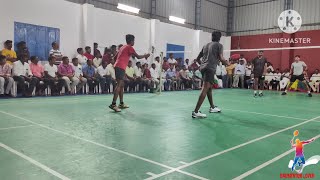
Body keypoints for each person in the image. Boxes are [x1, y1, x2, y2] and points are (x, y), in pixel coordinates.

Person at [109, 34, 150, 112]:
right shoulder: (129, 47)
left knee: (121, 85)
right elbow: (138, 57)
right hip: (120, 67)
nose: (134, 42)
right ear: (131, 41)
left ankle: (121, 103)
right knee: (119, 85)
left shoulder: (122, 47)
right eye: (134, 40)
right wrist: (146, 55)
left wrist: (118, 64)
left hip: (119, 66)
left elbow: (114, 58)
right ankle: (113, 104)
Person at [193, 31, 228, 118]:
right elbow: (221, 58)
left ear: (212, 37)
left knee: (209, 88)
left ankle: (212, 107)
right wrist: (226, 63)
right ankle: (196, 112)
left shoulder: (206, 45)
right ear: (219, 38)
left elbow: (197, 59)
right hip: (210, 68)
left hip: (203, 68)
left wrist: (203, 64)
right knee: (205, 88)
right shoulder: (219, 45)